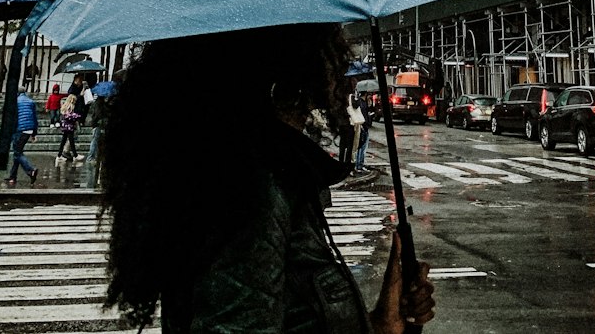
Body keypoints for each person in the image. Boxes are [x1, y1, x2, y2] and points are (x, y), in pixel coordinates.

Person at [100, 25, 435, 332]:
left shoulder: (252, 175)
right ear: (285, 75)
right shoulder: (249, 191)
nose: (334, 74)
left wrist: (382, 322)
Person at [6, 84, 39, 186]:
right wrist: (34, 133)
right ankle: (12, 176)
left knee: (17, 153)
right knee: (18, 152)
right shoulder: (30, 102)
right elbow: (35, 118)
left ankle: (31, 170)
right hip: (28, 130)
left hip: (19, 130)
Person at [56, 92, 81, 163]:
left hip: (65, 126)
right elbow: (69, 116)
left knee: (64, 141)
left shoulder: (64, 106)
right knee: (71, 141)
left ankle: (59, 155)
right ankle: (75, 155)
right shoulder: (70, 107)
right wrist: (77, 116)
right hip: (69, 126)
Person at [353, 89, 373, 173]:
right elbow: (362, 115)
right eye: (369, 95)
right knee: (361, 147)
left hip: (365, 126)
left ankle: (360, 164)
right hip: (363, 126)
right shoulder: (361, 103)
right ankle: (359, 165)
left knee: (362, 147)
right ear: (366, 94)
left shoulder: (363, 103)